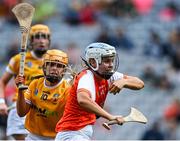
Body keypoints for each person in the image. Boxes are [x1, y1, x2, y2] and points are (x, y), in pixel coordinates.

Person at [55, 42, 144, 140]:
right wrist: (110, 116)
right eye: (107, 61)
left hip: (80, 133)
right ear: (93, 62)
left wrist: (124, 82)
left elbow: (140, 83)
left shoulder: (109, 76)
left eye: (112, 61)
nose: (111, 65)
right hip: (70, 134)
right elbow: (83, 100)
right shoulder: (86, 77)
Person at [0, 24, 51, 140]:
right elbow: (2, 82)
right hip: (20, 108)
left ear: (49, 40)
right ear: (31, 41)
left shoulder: (53, 62)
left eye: (45, 37)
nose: (42, 40)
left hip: (42, 111)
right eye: (37, 37)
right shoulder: (18, 59)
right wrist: (1, 102)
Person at [15, 49, 72, 140]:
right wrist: (20, 92)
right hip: (32, 137)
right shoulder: (35, 84)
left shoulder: (68, 90)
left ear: (64, 70)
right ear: (44, 67)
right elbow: (21, 113)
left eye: (59, 66)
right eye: (51, 64)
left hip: (56, 137)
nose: (54, 68)